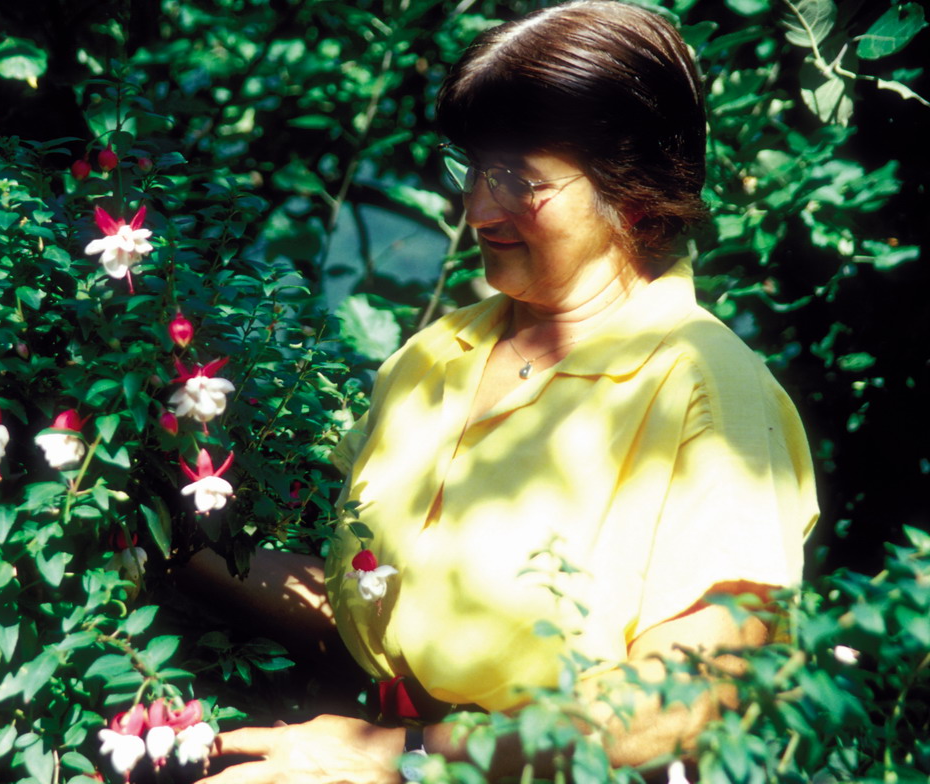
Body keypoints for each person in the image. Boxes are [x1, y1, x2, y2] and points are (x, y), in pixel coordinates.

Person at [177, 1, 820, 781]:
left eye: (521, 179)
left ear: (635, 190)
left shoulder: (708, 391)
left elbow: (678, 701)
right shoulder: (434, 359)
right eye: (475, 168)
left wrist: (398, 759)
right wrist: (173, 551)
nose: (478, 208)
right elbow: (391, 620)